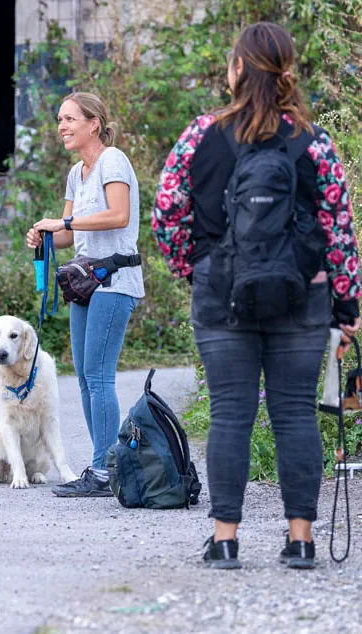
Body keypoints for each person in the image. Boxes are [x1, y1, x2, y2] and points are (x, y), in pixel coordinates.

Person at [153, 22, 360, 569]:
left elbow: (167, 214)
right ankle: (300, 540)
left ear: (239, 69)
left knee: (229, 414)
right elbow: (338, 225)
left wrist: (193, 269)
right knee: (294, 413)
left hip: (221, 296)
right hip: (302, 298)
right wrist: (347, 304)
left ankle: (225, 539)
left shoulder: (201, 135)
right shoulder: (312, 141)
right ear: (287, 70)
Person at [26, 92, 144, 497]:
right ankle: (104, 466)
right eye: (60, 119)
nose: (62, 126)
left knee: (99, 375)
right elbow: (69, 234)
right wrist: (44, 235)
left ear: (94, 123)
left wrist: (63, 219)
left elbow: (118, 215)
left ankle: (104, 469)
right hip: (83, 281)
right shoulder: (77, 173)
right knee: (83, 378)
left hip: (114, 280)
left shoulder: (113, 160)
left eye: (71, 118)